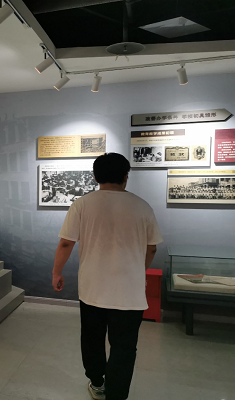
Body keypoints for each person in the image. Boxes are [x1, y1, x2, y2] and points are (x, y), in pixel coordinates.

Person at [52, 153, 163, 400]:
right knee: (124, 347)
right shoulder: (142, 206)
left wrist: (57, 272)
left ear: (95, 177)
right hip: (130, 293)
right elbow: (152, 248)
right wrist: (139, 270)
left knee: (92, 339)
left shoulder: (82, 204)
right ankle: (117, 394)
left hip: (92, 289)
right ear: (126, 177)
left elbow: (66, 243)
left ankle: (97, 382)